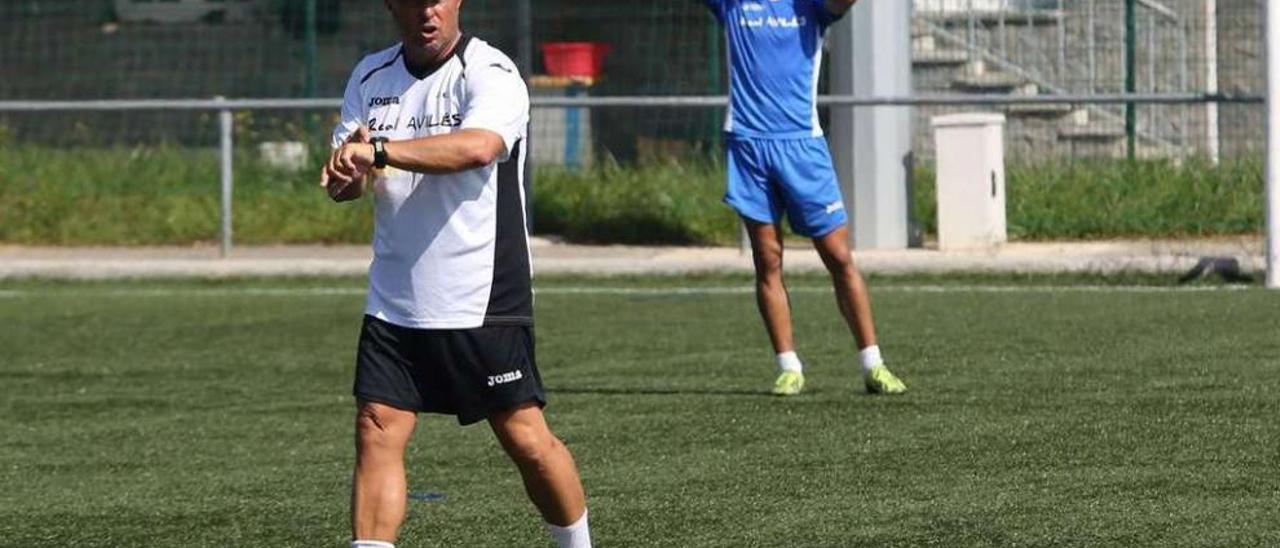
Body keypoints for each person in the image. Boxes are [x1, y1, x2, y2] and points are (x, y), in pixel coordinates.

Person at [319, 1, 590, 546]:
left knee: (525, 439)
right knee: (376, 427)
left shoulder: (490, 71)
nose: (428, 11)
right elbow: (347, 177)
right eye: (415, 0)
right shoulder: (370, 75)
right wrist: (346, 171)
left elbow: (479, 146)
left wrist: (378, 151)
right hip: (394, 299)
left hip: (480, 295)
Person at [700, 0, 907, 397]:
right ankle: (788, 366)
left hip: (802, 146)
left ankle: (873, 363)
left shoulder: (811, 5)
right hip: (747, 144)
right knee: (768, 258)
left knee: (838, 256)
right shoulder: (732, 4)